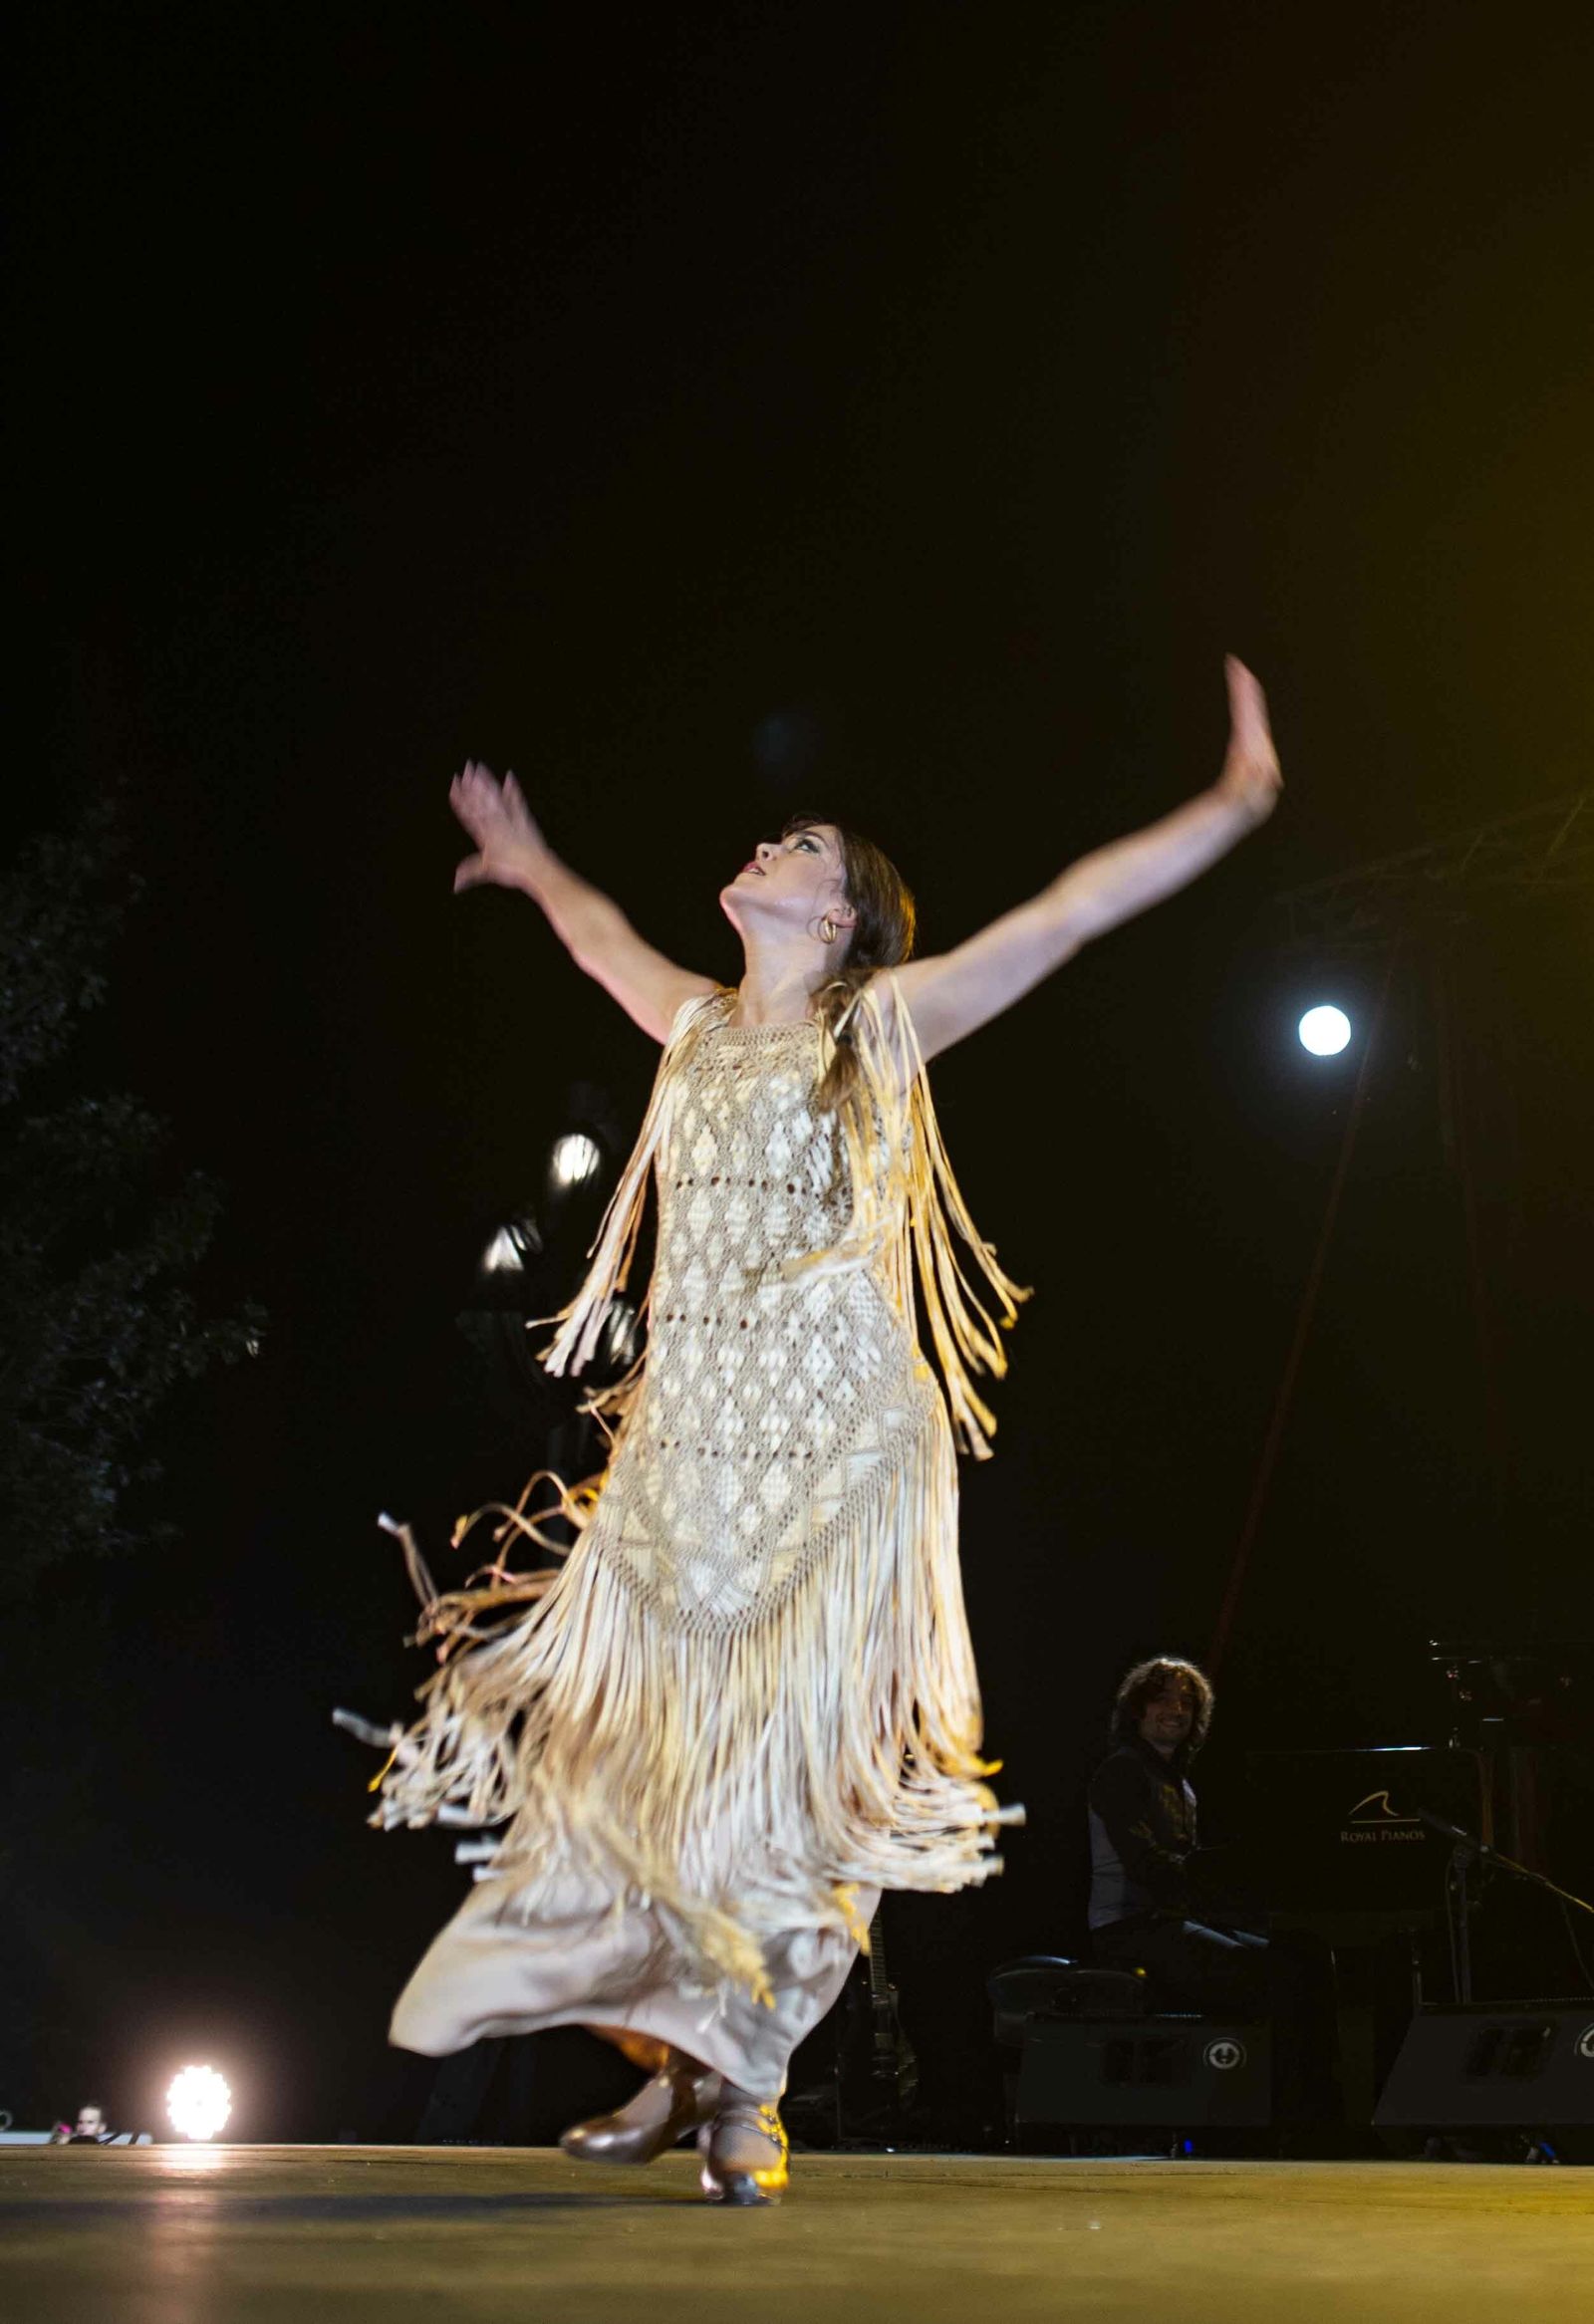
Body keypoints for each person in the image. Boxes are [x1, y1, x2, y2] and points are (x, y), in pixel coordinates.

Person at [359, 660, 1281, 2203]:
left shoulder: (880, 1030)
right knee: (640, 1781)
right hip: (695, 1458)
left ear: (841, 916)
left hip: (840, 1454)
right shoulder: (693, 1028)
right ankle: (682, 2070)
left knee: (787, 1794)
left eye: (802, 848)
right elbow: (595, 939)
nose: (769, 849)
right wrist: (529, 865)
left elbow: (1065, 913)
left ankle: (744, 2095)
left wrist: (1230, 802)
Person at [1087, 1657, 1269, 2010]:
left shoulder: (1181, 1785)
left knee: (1286, 1957)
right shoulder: (1122, 1771)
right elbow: (1146, 1865)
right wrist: (1224, 1870)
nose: (1177, 1709)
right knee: (1245, 1967)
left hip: (1171, 1920)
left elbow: (1187, 1869)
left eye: (1186, 1702)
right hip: (1127, 1926)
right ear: (1138, 1710)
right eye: (1163, 1699)